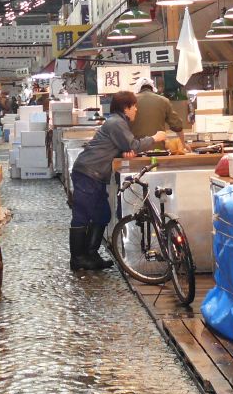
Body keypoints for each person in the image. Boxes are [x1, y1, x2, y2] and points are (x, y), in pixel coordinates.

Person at [69, 90, 168, 271]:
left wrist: (125, 151)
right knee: (82, 215)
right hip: (88, 173)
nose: (136, 110)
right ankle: (77, 258)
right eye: (134, 106)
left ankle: (91, 254)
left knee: (102, 215)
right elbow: (134, 145)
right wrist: (155, 138)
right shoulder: (116, 122)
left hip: (95, 174)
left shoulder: (117, 122)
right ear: (126, 107)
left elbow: (126, 146)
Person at [131, 76, 185, 141]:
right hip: (158, 147)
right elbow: (177, 126)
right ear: (153, 88)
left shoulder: (130, 101)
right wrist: (183, 144)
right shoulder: (163, 100)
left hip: (135, 148)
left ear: (138, 88)